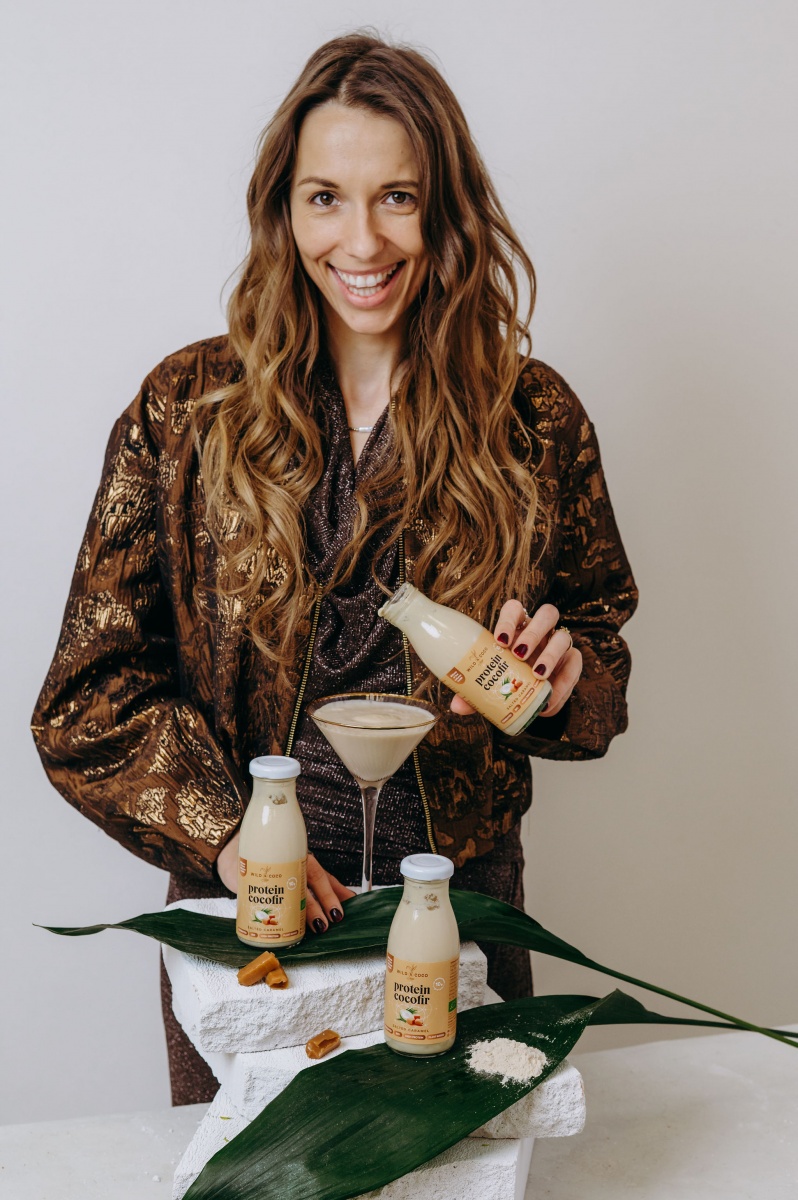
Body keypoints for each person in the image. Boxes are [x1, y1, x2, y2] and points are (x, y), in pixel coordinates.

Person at [31, 33, 638, 1105]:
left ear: (447, 213)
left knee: (463, 1167)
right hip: (253, 917)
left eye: (398, 198)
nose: (362, 240)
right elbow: (90, 693)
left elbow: (597, 642)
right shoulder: (187, 412)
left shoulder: (533, 418)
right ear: (284, 211)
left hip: (455, 910)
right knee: (257, 1168)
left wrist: (567, 679)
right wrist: (228, 839)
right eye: (326, 198)